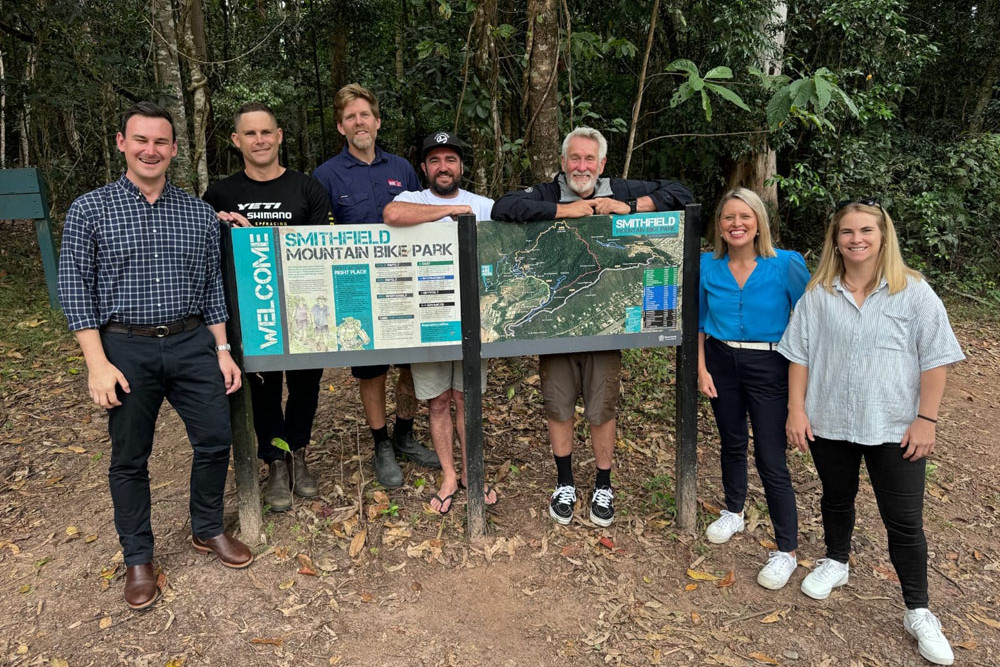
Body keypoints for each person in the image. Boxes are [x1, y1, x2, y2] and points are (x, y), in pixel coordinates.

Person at [57, 102, 252, 611]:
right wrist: (97, 363)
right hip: (124, 346)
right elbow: (75, 290)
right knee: (130, 458)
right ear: (122, 143)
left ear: (173, 149)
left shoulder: (196, 212)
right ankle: (138, 558)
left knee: (214, 439)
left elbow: (212, 287)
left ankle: (206, 528)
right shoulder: (90, 209)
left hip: (192, 343)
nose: (151, 150)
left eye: (161, 142)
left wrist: (223, 349)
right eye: (140, 140)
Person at [779, 199, 964, 666]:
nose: (856, 239)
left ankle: (918, 610)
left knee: (904, 521)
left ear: (883, 236)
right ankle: (836, 562)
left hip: (896, 426)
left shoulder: (914, 292)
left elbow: (936, 358)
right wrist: (796, 411)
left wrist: (928, 418)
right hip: (831, 419)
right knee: (835, 498)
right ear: (835, 239)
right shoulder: (819, 293)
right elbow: (799, 355)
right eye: (847, 232)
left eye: (866, 230)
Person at [492, 126, 692, 527]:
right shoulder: (548, 194)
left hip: (605, 328)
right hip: (555, 326)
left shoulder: (618, 188)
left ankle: (604, 483)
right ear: (564, 163)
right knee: (557, 404)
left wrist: (632, 207)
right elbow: (503, 208)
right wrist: (566, 211)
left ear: (601, 164)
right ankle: (564, 481)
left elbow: (681, 193)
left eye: (589, 159)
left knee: (602, 407)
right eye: (574, 159)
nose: (581, 166)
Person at [203, 102, 331, 512]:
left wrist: (258, 231)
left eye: (266, 132)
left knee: (306, 385)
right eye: (250, 134)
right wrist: (223, 230)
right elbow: (207, 255)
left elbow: (321, 248)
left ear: (278, 137)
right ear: (236, 141)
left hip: (303, 304)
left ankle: (298, 453)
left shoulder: (307, 188)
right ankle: (274, 461)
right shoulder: (220, 193)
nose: (259, 140)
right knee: (263, 390)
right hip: (249, 310)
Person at [312, 83, 439, 487]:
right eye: (350, 117)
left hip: (404, 281)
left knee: (411, 364)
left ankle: (404, 433)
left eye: (365, 114)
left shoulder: (402, 169)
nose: (359, 122)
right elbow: (319, 232)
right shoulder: (325, 176)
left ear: (377, 122)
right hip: (357, 289)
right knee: (371, 371)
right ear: (340, 127)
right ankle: (381, 443)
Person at [697, 188, 809, 590]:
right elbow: (699, 319)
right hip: (721, 361)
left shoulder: (786, 265)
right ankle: (733, 510)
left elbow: (809, 319)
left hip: (771, 364)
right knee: (731, 442)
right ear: (720, 226)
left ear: (759, 221)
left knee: (770, 455)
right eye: (728, 217)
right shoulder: (707, 266)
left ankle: (786, 550)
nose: (736, 224)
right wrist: (701, 368)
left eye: (744, 216)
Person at [382, 131, 496, 514]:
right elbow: (391, 216)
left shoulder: (484, 205)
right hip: (427, 318)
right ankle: (448, 474)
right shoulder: (411, 200)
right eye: (435, 160)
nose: (443, 167)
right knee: (437, 402)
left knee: (467, 400)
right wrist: (448, 212)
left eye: (450, 159)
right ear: (424, 168)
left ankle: (471, 472)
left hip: (472, 322)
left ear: (461, 166)